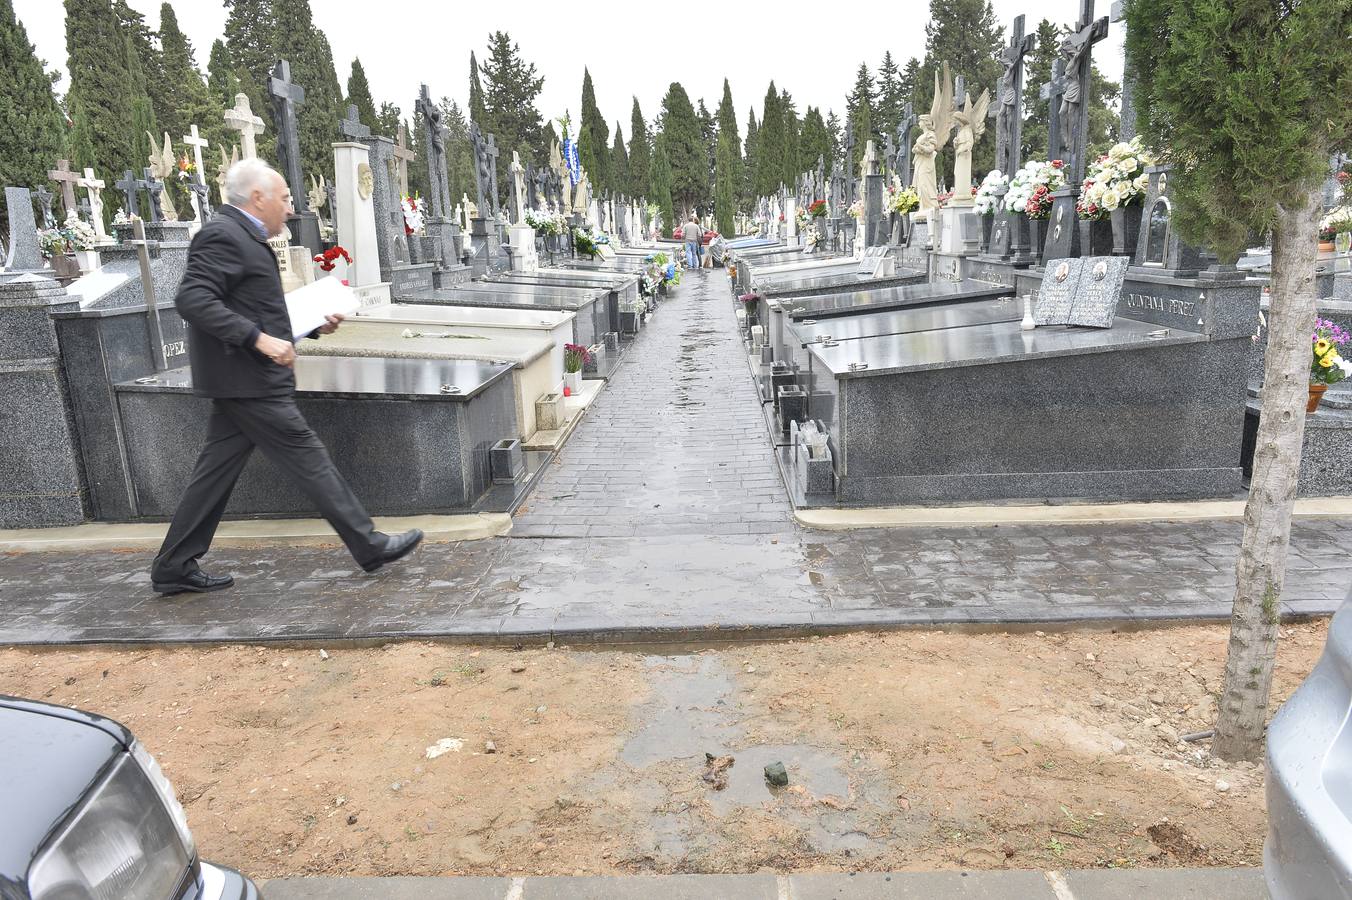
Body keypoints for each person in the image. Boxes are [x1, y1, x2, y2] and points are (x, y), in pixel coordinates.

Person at [149, 159, 423, 595]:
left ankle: (174, 564)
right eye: (283, 198)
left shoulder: (242, 237)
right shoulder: (223, 235)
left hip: (242, 379)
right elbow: (192, 299)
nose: (289, 209)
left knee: (213, 475)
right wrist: (259, 340)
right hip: (249, 378)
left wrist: (313, 324)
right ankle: (369, 545)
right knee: (308, 457)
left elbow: (252, 305)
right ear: (257, 198)